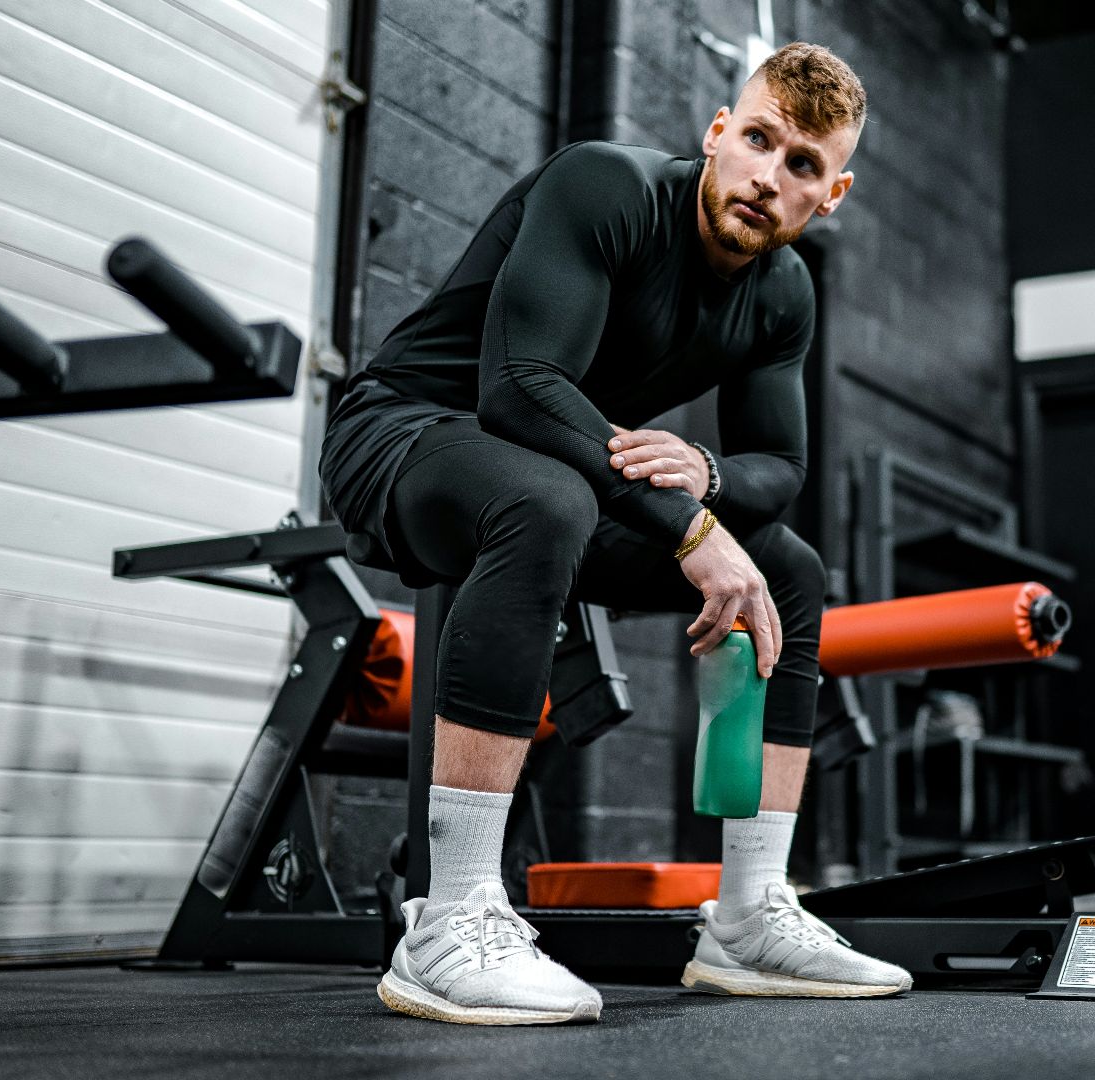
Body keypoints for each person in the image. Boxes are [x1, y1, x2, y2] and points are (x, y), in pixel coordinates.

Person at [321, 42, 907, 1026]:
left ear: (832, 193)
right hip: (405, 433)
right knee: (546, 500)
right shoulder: (608, 189)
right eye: (758, 139)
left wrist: (707, 475)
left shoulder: (783, 293)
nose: (769, 176)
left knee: (789, 570)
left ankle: (752, 913)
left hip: (566, 476)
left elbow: (780, 467)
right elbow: (520, 389)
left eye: (803, 163)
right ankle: (448, 920)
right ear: (717, 133)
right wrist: (689, 526)